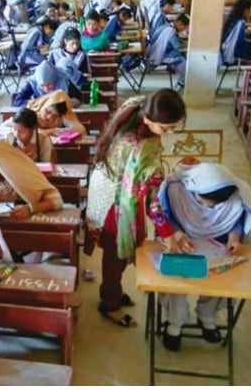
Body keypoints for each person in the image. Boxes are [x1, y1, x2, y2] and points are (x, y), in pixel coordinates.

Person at [86, 89, 187, 328]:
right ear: (147, 119)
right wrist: (168, 234)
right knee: (115, 255)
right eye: (165, 128)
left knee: (116, 251)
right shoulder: (142, 149)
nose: (170, 133)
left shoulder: (139, 104)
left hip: (106, 184)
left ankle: (113, 291)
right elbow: (153, 201)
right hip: (114, 200)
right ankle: (109, 303)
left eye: (175, 127)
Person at [157, 162, 251, 351]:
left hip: (216, 244)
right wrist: (178, 234)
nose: (208, 207)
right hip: (181, 242)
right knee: (178, 279)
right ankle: (175, 323)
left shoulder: (234, 194)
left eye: (214, 205)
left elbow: (237, 219)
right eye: (204, 201)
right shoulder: (176, 190)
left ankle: (207, 317)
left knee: (220, 277)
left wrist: (234, 238)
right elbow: (166, 216)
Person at [145, 15, 189, 90]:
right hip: (158, 54)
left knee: (179, 56)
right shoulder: (170, 31)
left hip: (153, 50)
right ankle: (181, 82)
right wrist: (186, 45)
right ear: (180, 24)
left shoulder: (165, 26)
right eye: (184, 28)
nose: (183, 30)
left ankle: (179, 75)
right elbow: (177, 46)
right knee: (182, 59)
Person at [221, 0, 251, 65]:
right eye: (250, 11)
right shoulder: (240, 23)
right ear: (246, 11)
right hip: (233, 55)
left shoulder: (232, 21)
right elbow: (240, 41)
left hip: (225, 52)